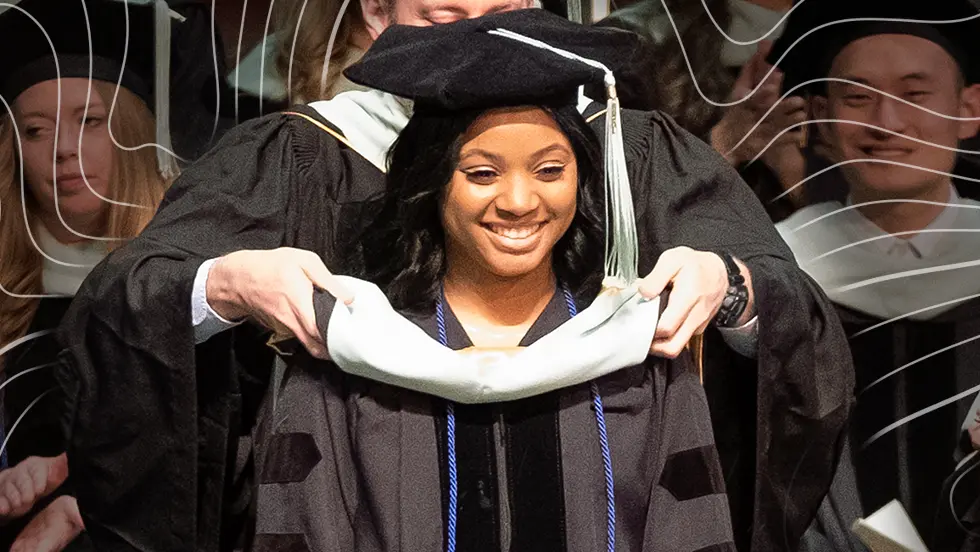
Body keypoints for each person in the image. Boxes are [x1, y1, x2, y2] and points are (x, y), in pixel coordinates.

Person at [55, 4, 852, 552]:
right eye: (443, 18)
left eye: (506, 10)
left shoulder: (634, 153)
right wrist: (221, 283)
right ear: (375, 14)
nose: (481, 36)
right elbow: (121, 313)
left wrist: (734, 285)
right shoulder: (292, 156)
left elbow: (798, 341)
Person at [246, 15, 736, 550]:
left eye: (550, 170)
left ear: (583, 178)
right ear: (430, 182)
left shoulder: (640, 351)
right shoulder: (347, 353)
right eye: (482, 174)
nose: (520, 202)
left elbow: (691, 530)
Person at [771, 0, 980, 548]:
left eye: (915, 95)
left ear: (969, 108)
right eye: (858, 97)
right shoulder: (777, 265)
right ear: (819, 116)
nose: (886, 123)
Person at [0, 0, 177, 548]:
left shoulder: (183, 272)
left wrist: (72, 506)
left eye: (90, 121)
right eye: (35, 130)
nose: (63, 150)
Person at [594, 0, 810, 222]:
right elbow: (603, 197)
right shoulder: (632, 39)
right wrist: (723, 143)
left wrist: (797, 177)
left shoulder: (830, 36)